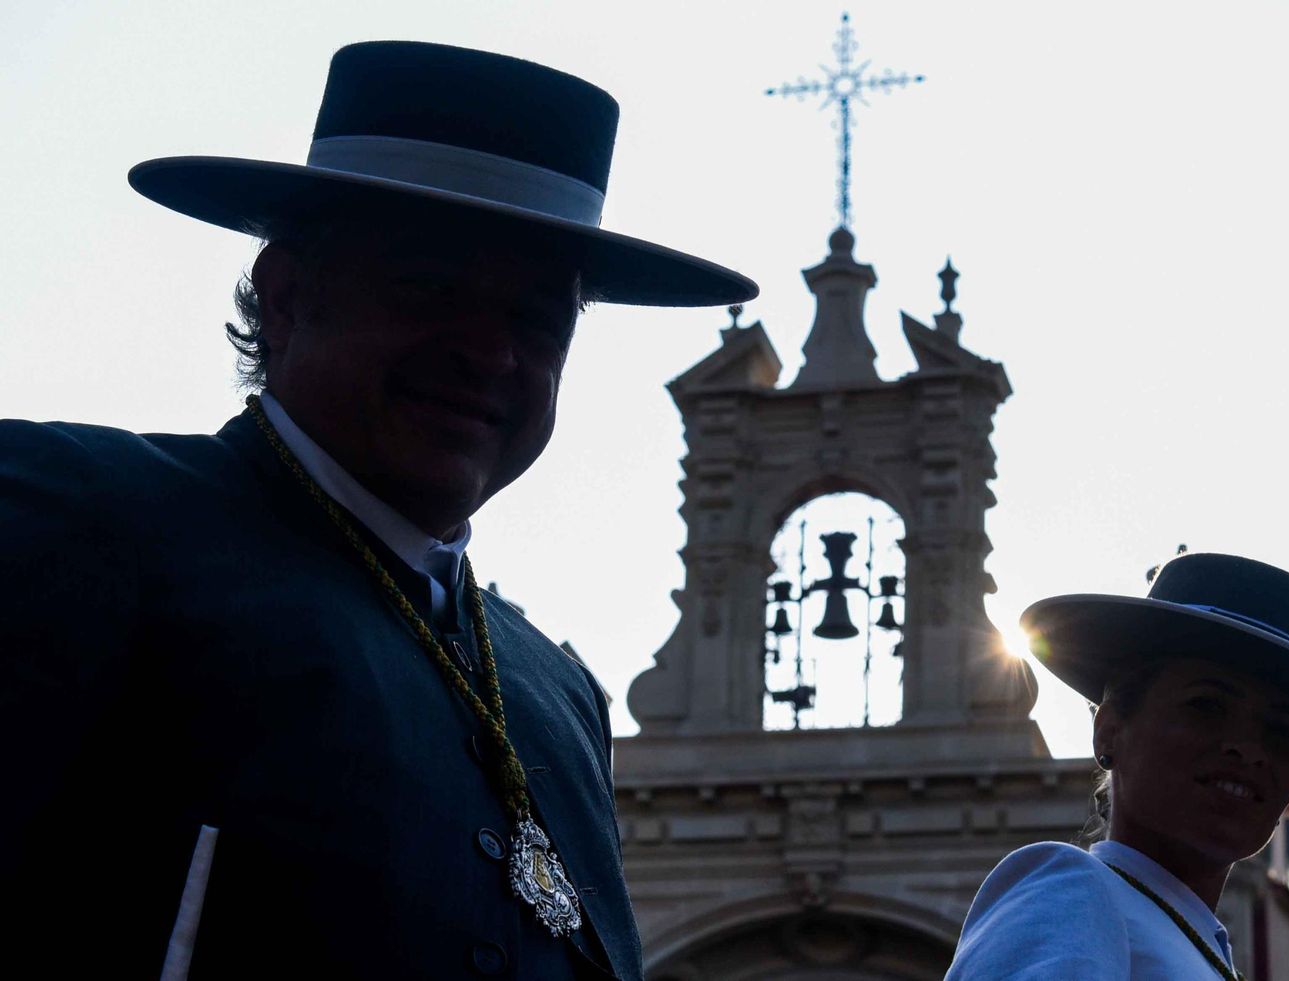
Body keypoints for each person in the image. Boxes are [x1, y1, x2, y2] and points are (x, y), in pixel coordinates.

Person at [0, 41, 756, 980]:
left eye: (536, 320)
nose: (489, 351)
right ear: (284, 298)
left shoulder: (558, 697)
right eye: (432, 291)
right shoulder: (77, 514)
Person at [946, 553, 1289, 980]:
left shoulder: (1199, 948)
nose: (1247, 749)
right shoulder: (1072, 892)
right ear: (1110, 729)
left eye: (1280, 733)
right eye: (1207, 706)